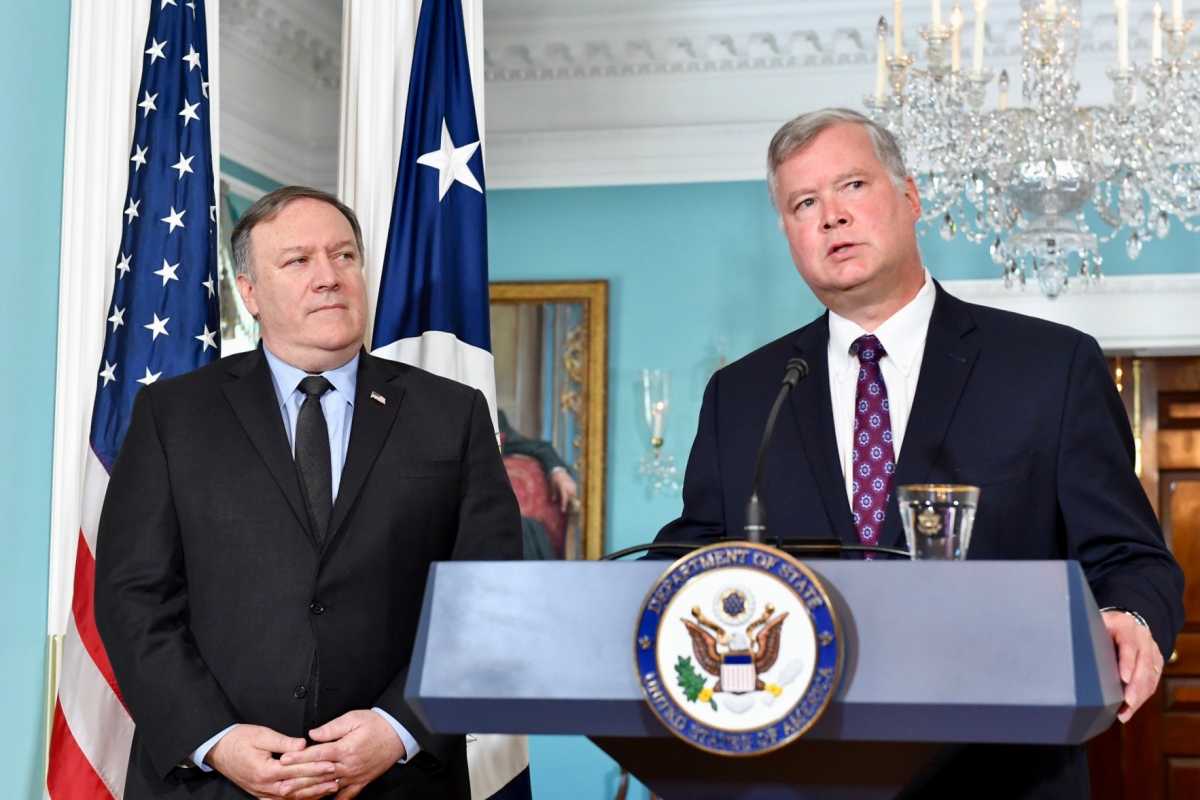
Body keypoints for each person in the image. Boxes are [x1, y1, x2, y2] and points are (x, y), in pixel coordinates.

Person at [654, 108, 1184, 797]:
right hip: (798, 774)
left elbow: (1131, 558)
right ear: (787, 231)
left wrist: (1129, 618)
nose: (831, 217)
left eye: (852, 187)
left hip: (1002, 773)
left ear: (910, 197)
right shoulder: (746, 395)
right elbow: (686, 565)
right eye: (804, 203)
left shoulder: (1050, 368)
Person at [95, 185, 522, 800]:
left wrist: (400, 726)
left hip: (399, 780)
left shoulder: (450, 414)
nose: (328, 277)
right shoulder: (174, 414)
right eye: (298, 261)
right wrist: (214, 738)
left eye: (343, 256)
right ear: (249, 294)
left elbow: (491, 591)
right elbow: (133, 597)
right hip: (214, 784)